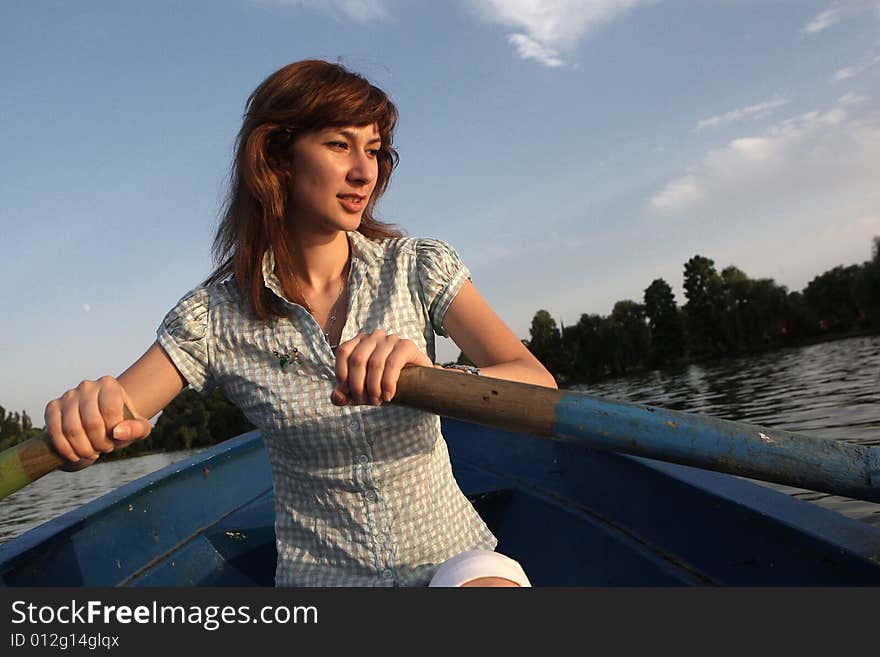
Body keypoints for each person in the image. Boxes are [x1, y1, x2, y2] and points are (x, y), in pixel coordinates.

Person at [44, 59, 557, 587]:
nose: (365, 171)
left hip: (452, 563)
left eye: (374, 150)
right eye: (340, 145)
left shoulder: (417, 266)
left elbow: (536, 383)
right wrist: (82, 421)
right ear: (277, 157)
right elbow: (117, 413)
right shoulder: (214, 318)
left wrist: (438, 381)